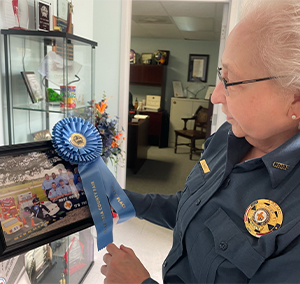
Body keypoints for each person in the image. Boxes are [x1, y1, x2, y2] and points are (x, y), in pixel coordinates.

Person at [101, 1, 300, 283]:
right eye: (221, 74)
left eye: (231, 81)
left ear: (295, 99)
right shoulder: (225, 139)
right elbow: (191, 208)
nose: (215, 96)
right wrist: (125, 199)